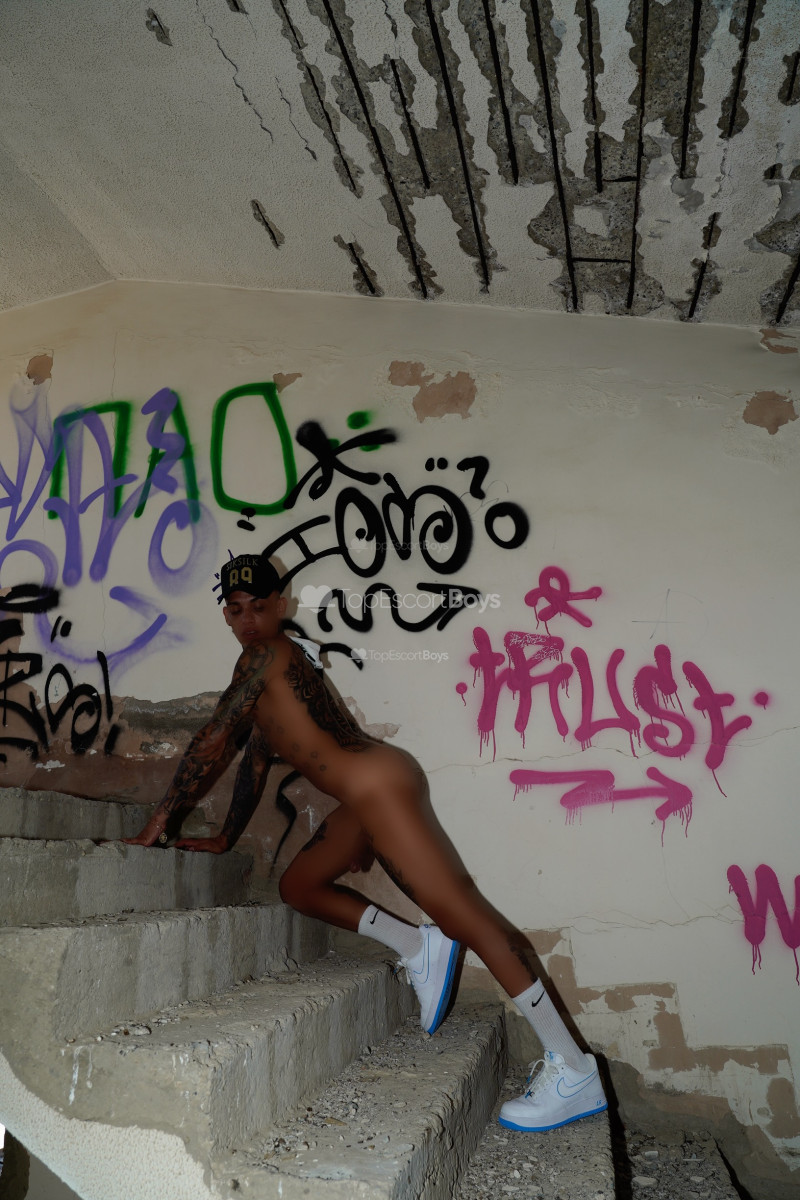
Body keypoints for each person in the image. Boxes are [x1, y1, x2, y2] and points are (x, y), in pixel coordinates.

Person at [125, 553, 607, 1132]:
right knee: (299, 886)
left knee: (469, 918)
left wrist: (159, 822)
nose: (248, 620)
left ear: (281, 606)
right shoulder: (273, 667)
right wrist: (226, 836)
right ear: (225, 615)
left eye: (259, 607)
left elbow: (212, 738)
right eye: (236, 610)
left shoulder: (265, 656)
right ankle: (418, 947)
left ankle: (574, 1068)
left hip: (378, 791)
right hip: (367, 796)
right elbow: (252, 758)